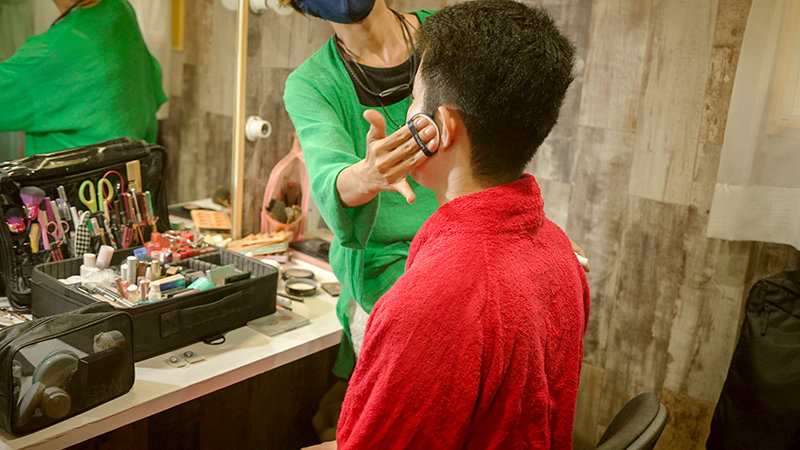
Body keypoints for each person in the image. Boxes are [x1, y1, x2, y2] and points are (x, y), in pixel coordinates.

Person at [325, 1, 590, 448]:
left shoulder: (429, 305)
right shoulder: (562, 253)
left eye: (413, 99)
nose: (408, 114)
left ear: (441, 128)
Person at [282, 0, 442, 384]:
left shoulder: (448, 38)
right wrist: (368, 176)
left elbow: (495, 147)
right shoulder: (311, 84)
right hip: (385, 275)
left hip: (467, 251)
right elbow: (329, 174)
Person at [0, 0, 167, 156]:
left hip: (78, 175)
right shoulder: (119, 9)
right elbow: (153, 84)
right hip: (133, 168)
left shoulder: (49, 54)